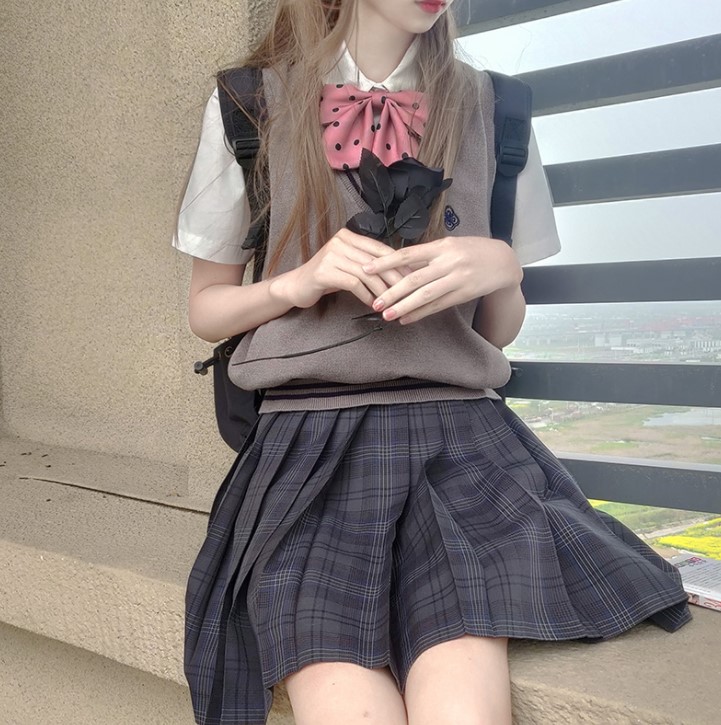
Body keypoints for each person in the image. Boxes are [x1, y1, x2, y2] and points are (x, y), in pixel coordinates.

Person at [173, 1, 692, 723]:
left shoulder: (496, 108)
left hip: (463, 447)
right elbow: (206, 311)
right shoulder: (249, 103)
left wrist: (502, 266)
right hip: (309, 449)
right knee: (336, 686)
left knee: (464, 694)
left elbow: (497, 333)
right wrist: (299, 282)